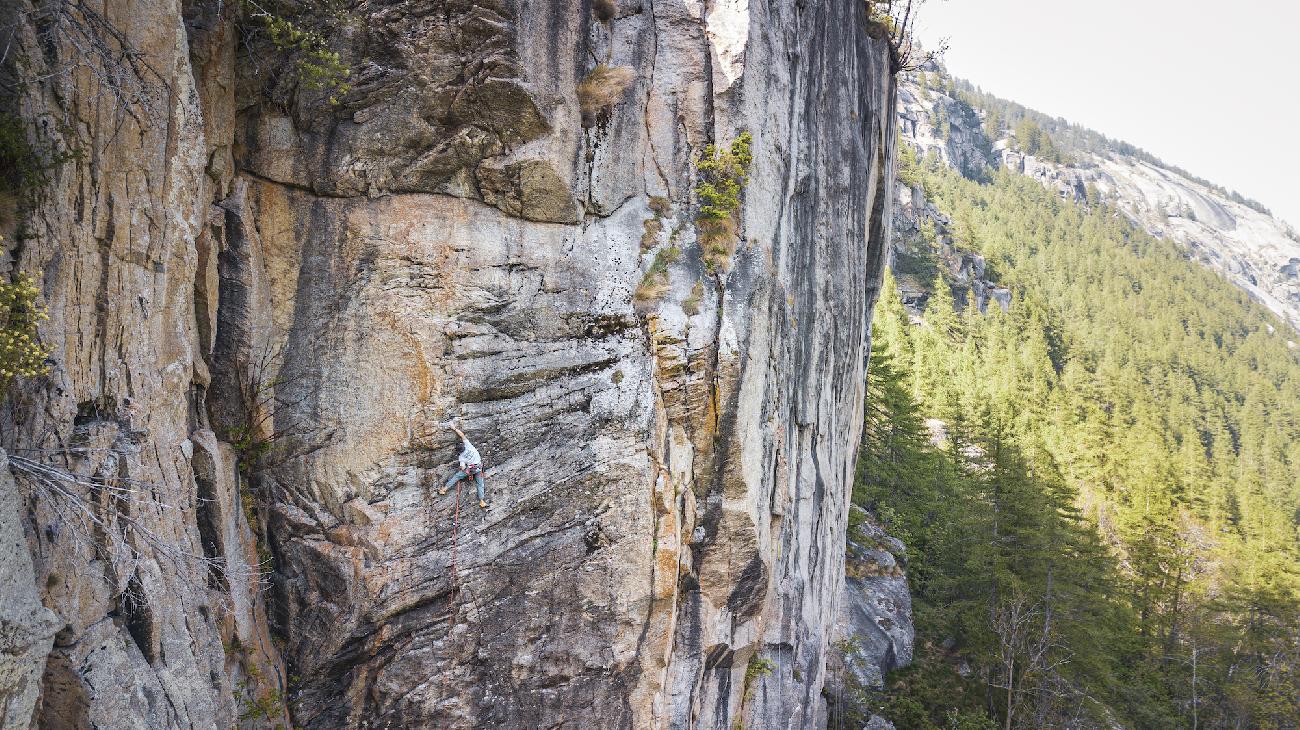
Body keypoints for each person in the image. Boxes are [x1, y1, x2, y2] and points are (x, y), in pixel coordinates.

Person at [439, 419, 488, 509]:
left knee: (457, 476)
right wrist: (454, 428)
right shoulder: (469, 446)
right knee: (480, 484)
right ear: (463, 446)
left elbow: (462, 467)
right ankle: (482, 501)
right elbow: (462, 435)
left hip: (470, 470)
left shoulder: (461, 457)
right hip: (479, 468)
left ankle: (444, 489)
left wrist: (461, 468)